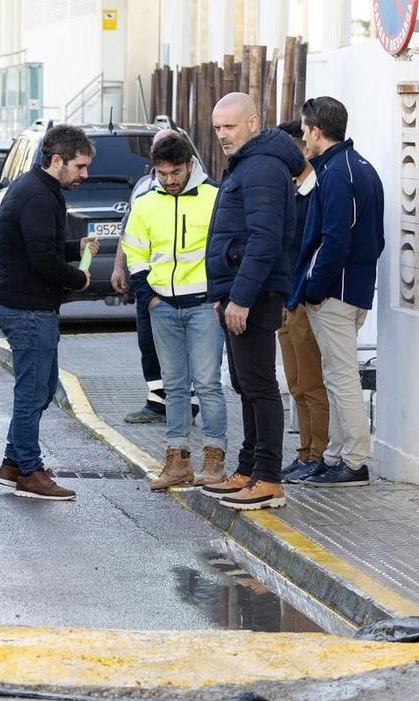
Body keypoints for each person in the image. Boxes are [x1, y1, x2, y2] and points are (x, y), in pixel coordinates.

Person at [201, 92, 301, 510]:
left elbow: (263, 240)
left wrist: (239, 297)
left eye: (230, 126)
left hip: (254, 293)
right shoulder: (248, 163)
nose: (223, 135)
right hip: (239, 291)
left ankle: (269, 479)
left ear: (254, 123)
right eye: (218, 127)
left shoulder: (261, 166)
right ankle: (248, 470)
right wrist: (223, 294)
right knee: (244, 383)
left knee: (259, 385)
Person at [0, 124, 97, 501]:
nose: (84, 175)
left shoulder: (38, 188)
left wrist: (74, 247)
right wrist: (79, 278)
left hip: (28, 306)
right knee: (33, 391)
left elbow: (40, 245)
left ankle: (12, 464)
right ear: (57, 160)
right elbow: (41, 260)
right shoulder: (38, 195)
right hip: (28, 309)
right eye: (80, 166)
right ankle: (30, 471)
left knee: (39, 389)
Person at [118, 131, 227, 492]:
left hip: (204, 307)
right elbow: (135, 250)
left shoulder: (214, 197)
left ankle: (214, 459)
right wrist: (147, 294)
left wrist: (218, 296)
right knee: (174, 387)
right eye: (162, 174)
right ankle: (177, 460)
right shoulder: (147, 202)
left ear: (190, 165)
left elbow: (226, 249)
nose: (170, 180)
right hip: (162, 306)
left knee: (208, 384)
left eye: (176, 173)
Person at [288, 96, 385, 486]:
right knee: (336, 375)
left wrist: (313, 288)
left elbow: (334, 242)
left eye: (304, 129)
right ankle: (335, 457)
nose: (302, 137)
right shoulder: (360, 167)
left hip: (336, 294)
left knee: (342, 377)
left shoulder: (336, 173)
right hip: (354, 289)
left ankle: (354, 462)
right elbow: (373, 238)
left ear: (315, 130)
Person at [111, 127, 185, 426]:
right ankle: (156, 402)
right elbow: (129, 231)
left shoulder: (198, 189)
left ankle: (186, 404)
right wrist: (119, 266)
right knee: (148, 343)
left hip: (182, 286)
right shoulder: (143, 187)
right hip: (148, 282)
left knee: (182, 349)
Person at [275, 120, 330, 483]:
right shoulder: (290, 192)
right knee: (294, 381)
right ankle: (304, 452)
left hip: (306, 298)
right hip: (285, 298)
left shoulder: (320, 192)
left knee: (311, 381)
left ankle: (319, 454)